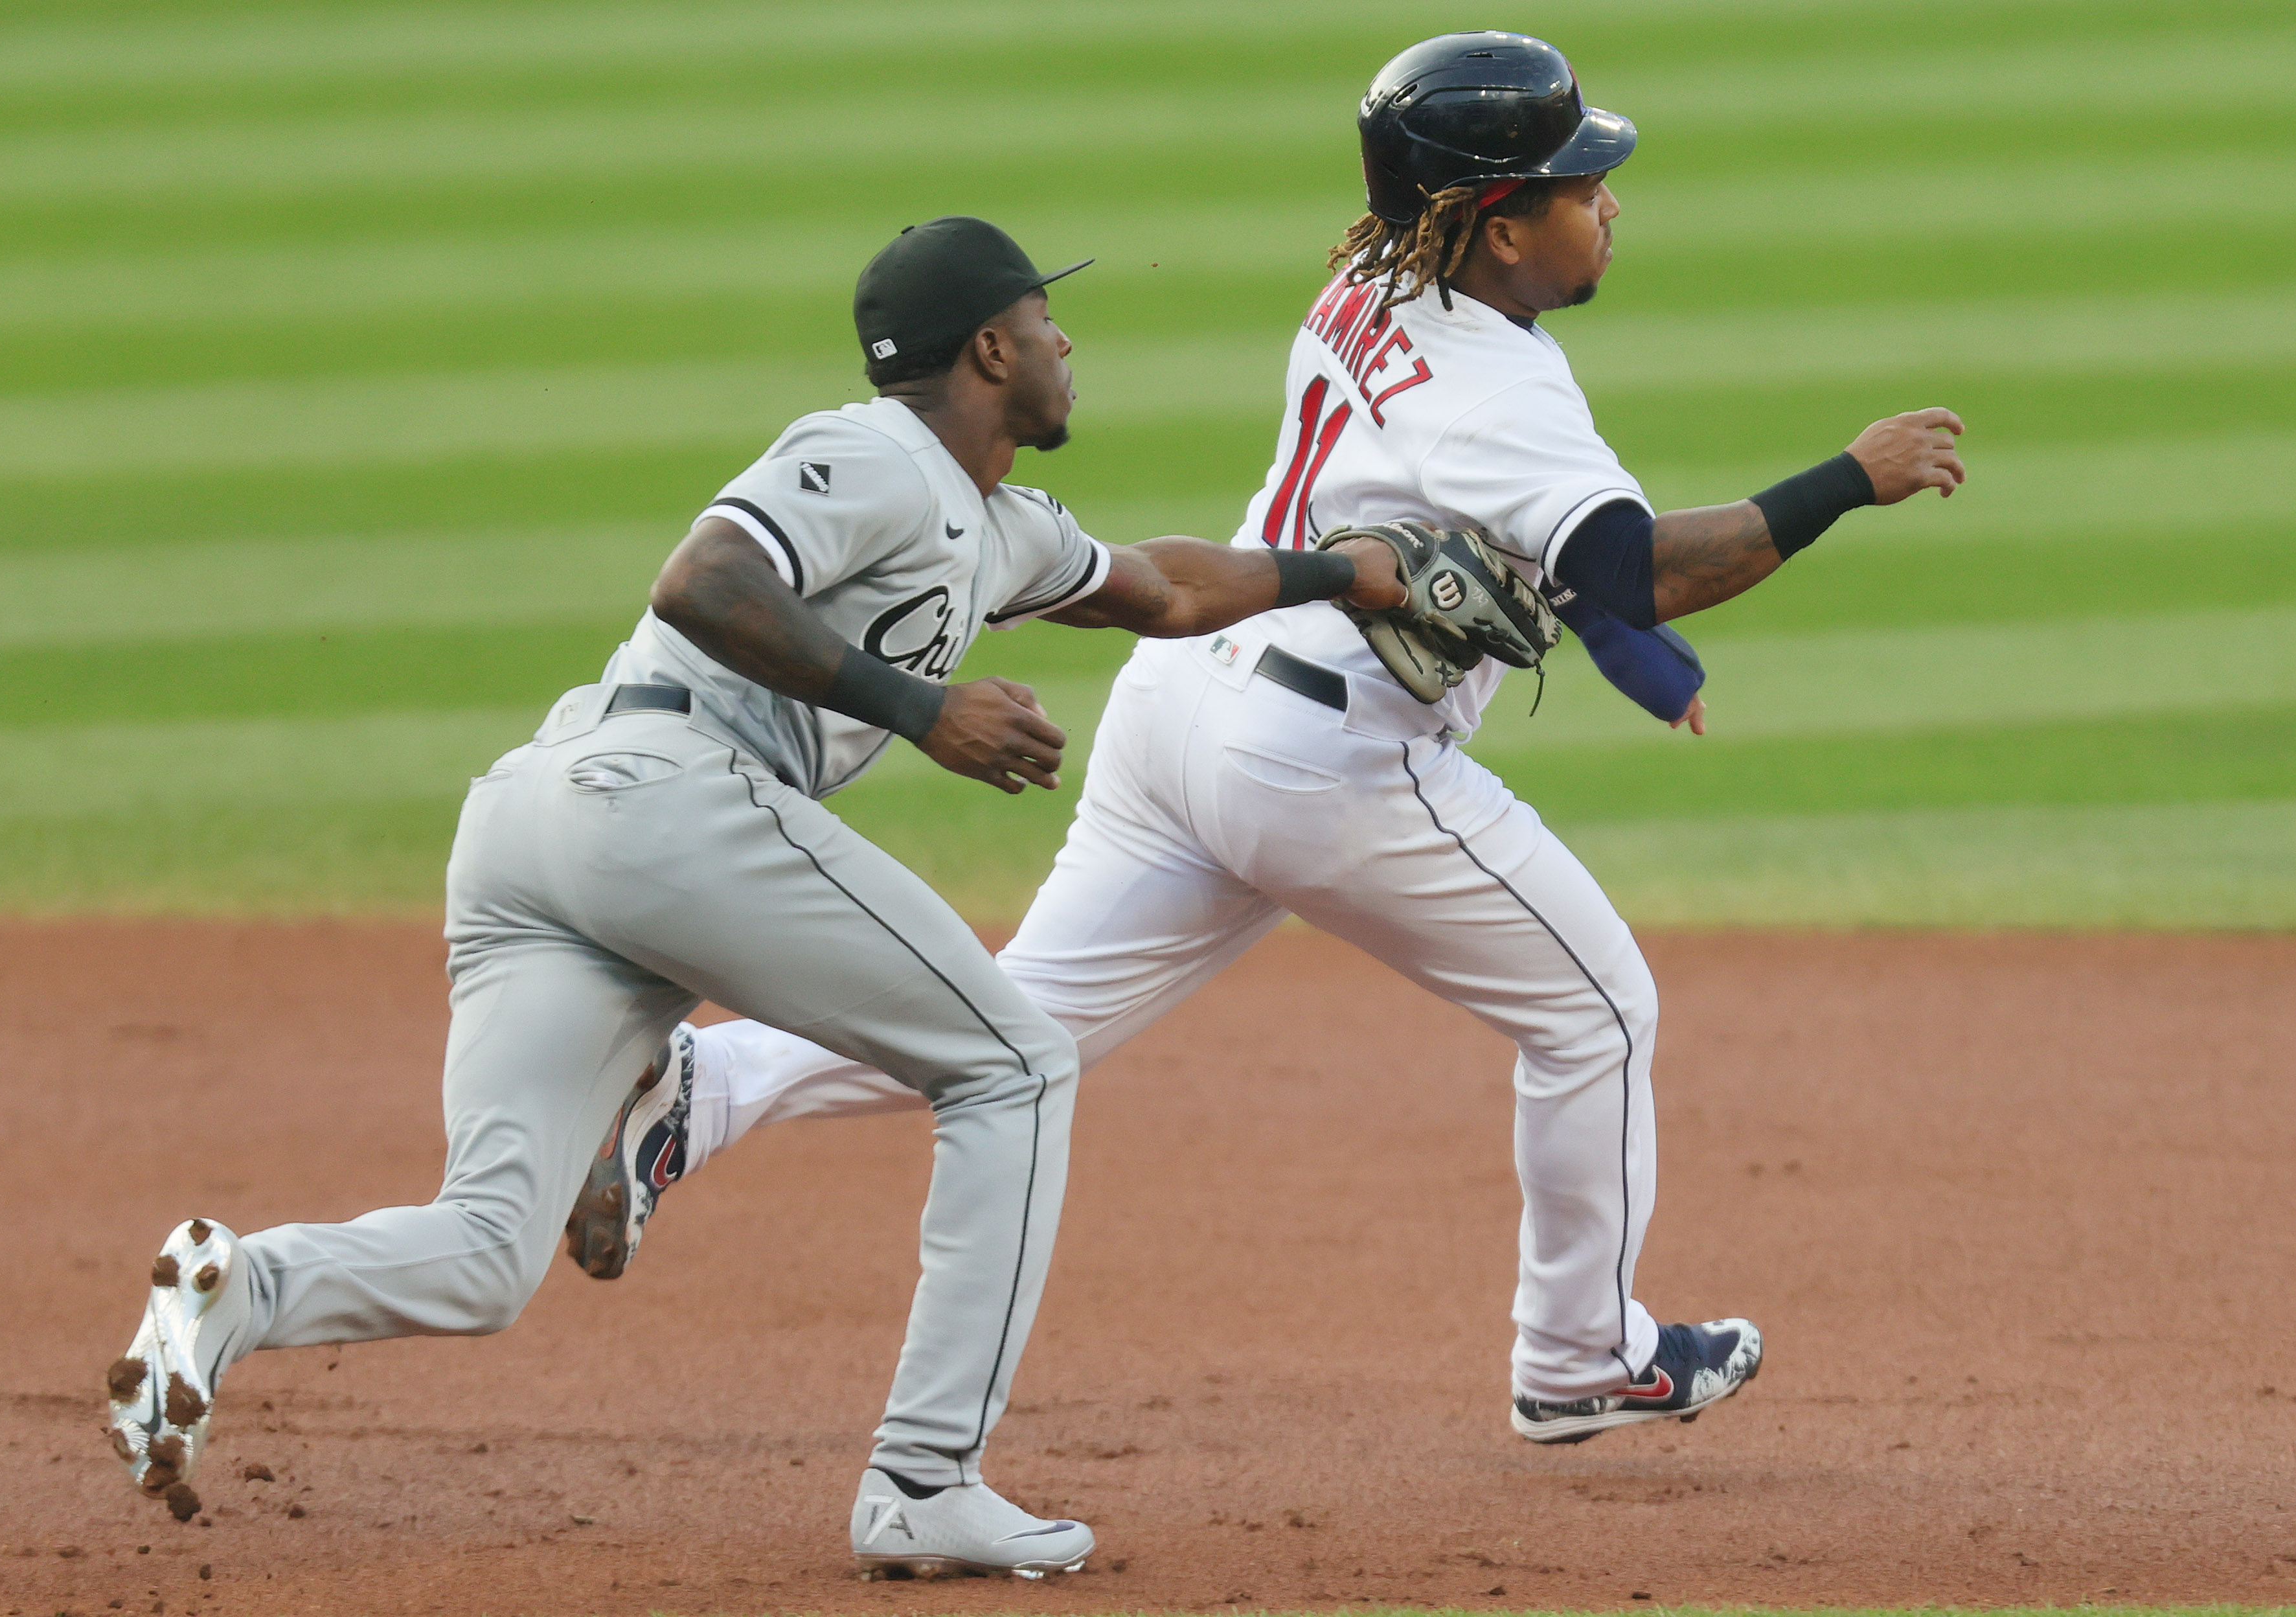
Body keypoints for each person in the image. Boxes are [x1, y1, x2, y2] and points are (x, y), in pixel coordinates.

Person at [571, 33, 1967, 1446]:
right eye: (1578, 182)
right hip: (1327, 762)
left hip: (1187, 706)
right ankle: (1581, 1356)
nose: (1609, 202)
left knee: (1027, 1013)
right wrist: (1849, 480)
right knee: (1599, 1014)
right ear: (1492, 224)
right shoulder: (1503, 393)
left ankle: (706, 1086)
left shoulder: (1371, 272)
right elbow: (1631, 569)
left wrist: (1641, 661)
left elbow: (1562, 564)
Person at [102, 215, 1405, 1576]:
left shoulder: (998, 527)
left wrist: (1342, 571)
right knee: (1015, 1064)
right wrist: (922, 710)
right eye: (1046, 320)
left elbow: (1165, 587)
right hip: (660, 799)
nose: (1069, 342)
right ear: (990, 346)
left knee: (487, 1251)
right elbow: (704, 579)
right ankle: (923, 1480)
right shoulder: (871, 456)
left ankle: (234, 1287)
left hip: (542, 830)